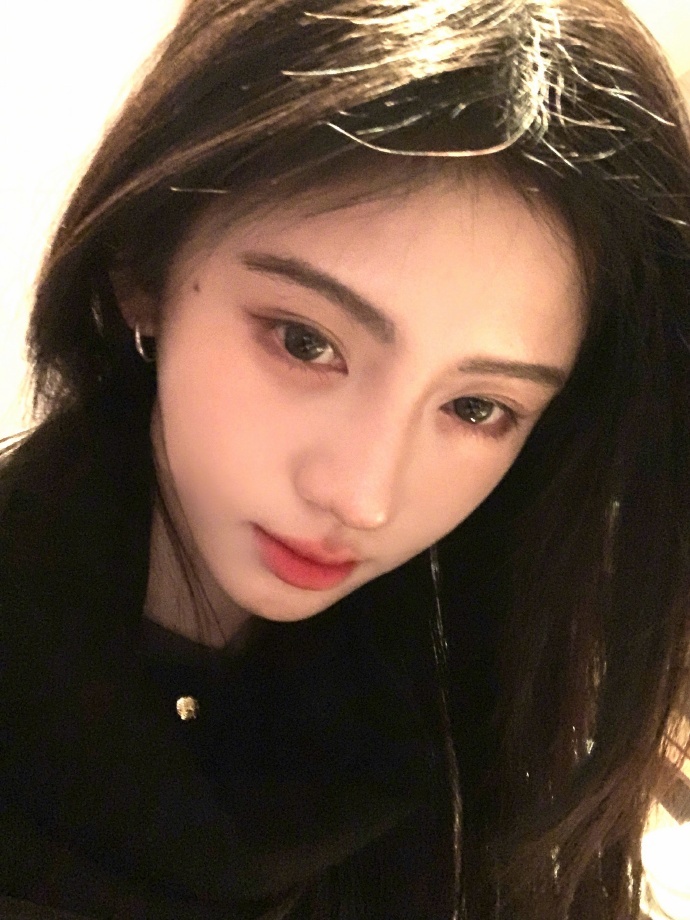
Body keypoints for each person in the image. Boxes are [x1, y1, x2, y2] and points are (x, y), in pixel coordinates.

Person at [1, 0, 689, 916]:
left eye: (476, 407)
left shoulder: (492, 680)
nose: (363, 498)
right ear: (142, 269)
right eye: (305, 342)